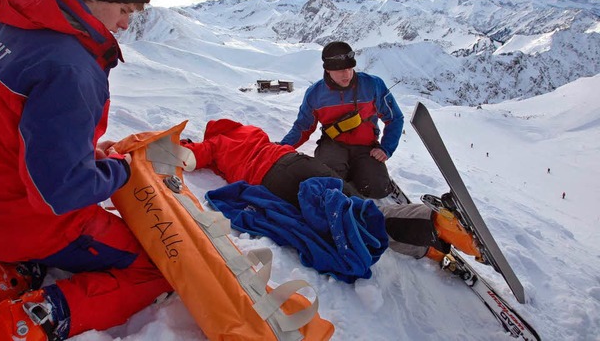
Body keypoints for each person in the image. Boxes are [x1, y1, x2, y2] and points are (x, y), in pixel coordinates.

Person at [0, 0, 170, 340]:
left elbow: (3, 129)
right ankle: (32, 318)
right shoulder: (69, 67)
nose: (126, 24)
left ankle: (10, 274)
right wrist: (117, 170)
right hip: (34, 223)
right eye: (125, 10)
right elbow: (60, 192)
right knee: (159, 263)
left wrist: (81, 152)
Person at [182, 119, 481, 265]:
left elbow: (190, 157)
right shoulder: (251, 132)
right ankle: (427, 244)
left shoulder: (218, 143)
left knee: (352, 219)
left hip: (276, 179)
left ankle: (437, 223)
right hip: (298, 162)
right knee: (356, 204)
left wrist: (184, 147)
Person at [280, 41, 404, 199]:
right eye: (339, 70)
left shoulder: (372, 85)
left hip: (366, 147)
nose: (346, 74)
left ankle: (361, 174)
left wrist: (386, 148)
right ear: (327, 70)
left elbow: (395, 118)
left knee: (377, 189)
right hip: (333, 144)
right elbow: (302, 128)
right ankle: (346, 176)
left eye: (349, 68)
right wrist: (281, 149)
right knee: (329, 185)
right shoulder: (315, 94)